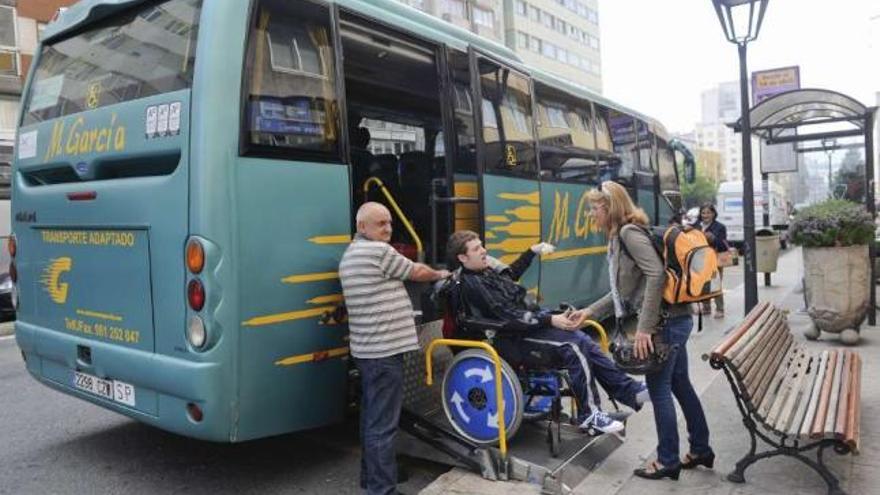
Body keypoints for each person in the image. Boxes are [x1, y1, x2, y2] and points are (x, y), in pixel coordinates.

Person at [570, 181, 713, 481]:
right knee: (680, 383)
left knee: (659, 390)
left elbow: (656, 274)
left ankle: (667, 460)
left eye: (594, 208)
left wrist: (645, 329)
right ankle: (700, 448)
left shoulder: (628, 233)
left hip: (665, 324)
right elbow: (623, 291)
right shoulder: (621, 235)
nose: (591, 214)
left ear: (609, 208)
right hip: (674, 320)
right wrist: (589, 312)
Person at [447, 230, 649, 435]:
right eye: (476, 248)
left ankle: (630, 392)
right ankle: (589, 415)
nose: (484, 250)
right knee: (572, 346)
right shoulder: (471, 284)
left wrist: (532, 252)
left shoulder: (484, 271)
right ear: (463, 258)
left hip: (524, 328)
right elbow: (508, 316)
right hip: (509, 338)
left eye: (482, 245)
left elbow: (511, 275)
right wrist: (551, 319)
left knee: (582, 339)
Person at [340, 202, 450, 495]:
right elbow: (416, 272)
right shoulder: (378, 252)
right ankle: (381, 489)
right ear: (362, 227)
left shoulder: (351, 253)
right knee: (383, 426)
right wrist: (441, 274)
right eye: (381, 224)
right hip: (384, 353)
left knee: (371, 419)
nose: (388, 228)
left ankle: (371, 476)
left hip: (368, 352)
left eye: (389, 222)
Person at [698, 203, 728, 319]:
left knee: (715, 283)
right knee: (703, 283)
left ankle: (720, 309)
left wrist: (712, 238)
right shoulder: (697, 226)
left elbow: (723, 245)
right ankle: (706, 307)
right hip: (699, 259)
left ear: (713, 214)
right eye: (703, 213)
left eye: (708, 213)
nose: (705, 215)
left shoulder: (720, 227)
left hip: (715, 259)